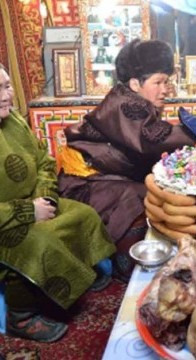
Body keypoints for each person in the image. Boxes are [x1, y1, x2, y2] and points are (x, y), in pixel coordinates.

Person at [58, 39, 196, 281]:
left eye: (167, 81)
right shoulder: (124, 104)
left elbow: (155, 134)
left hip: (106, 171)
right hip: (86, 180)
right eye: (158, 82)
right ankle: (127, 266)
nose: (165, 89)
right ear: (134, 83)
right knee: (140, 196)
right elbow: (150, 140)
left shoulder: (134, 100)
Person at [0, 63, 116, 342]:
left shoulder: (13, 120)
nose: (5, 95)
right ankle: (21, 317)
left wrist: (45, 197)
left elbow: (44, 161)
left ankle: (80, 273)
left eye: (6, 86)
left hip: (34, 201)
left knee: (84, 214)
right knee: (38, 243)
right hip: (7, 220)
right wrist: (29, 211)